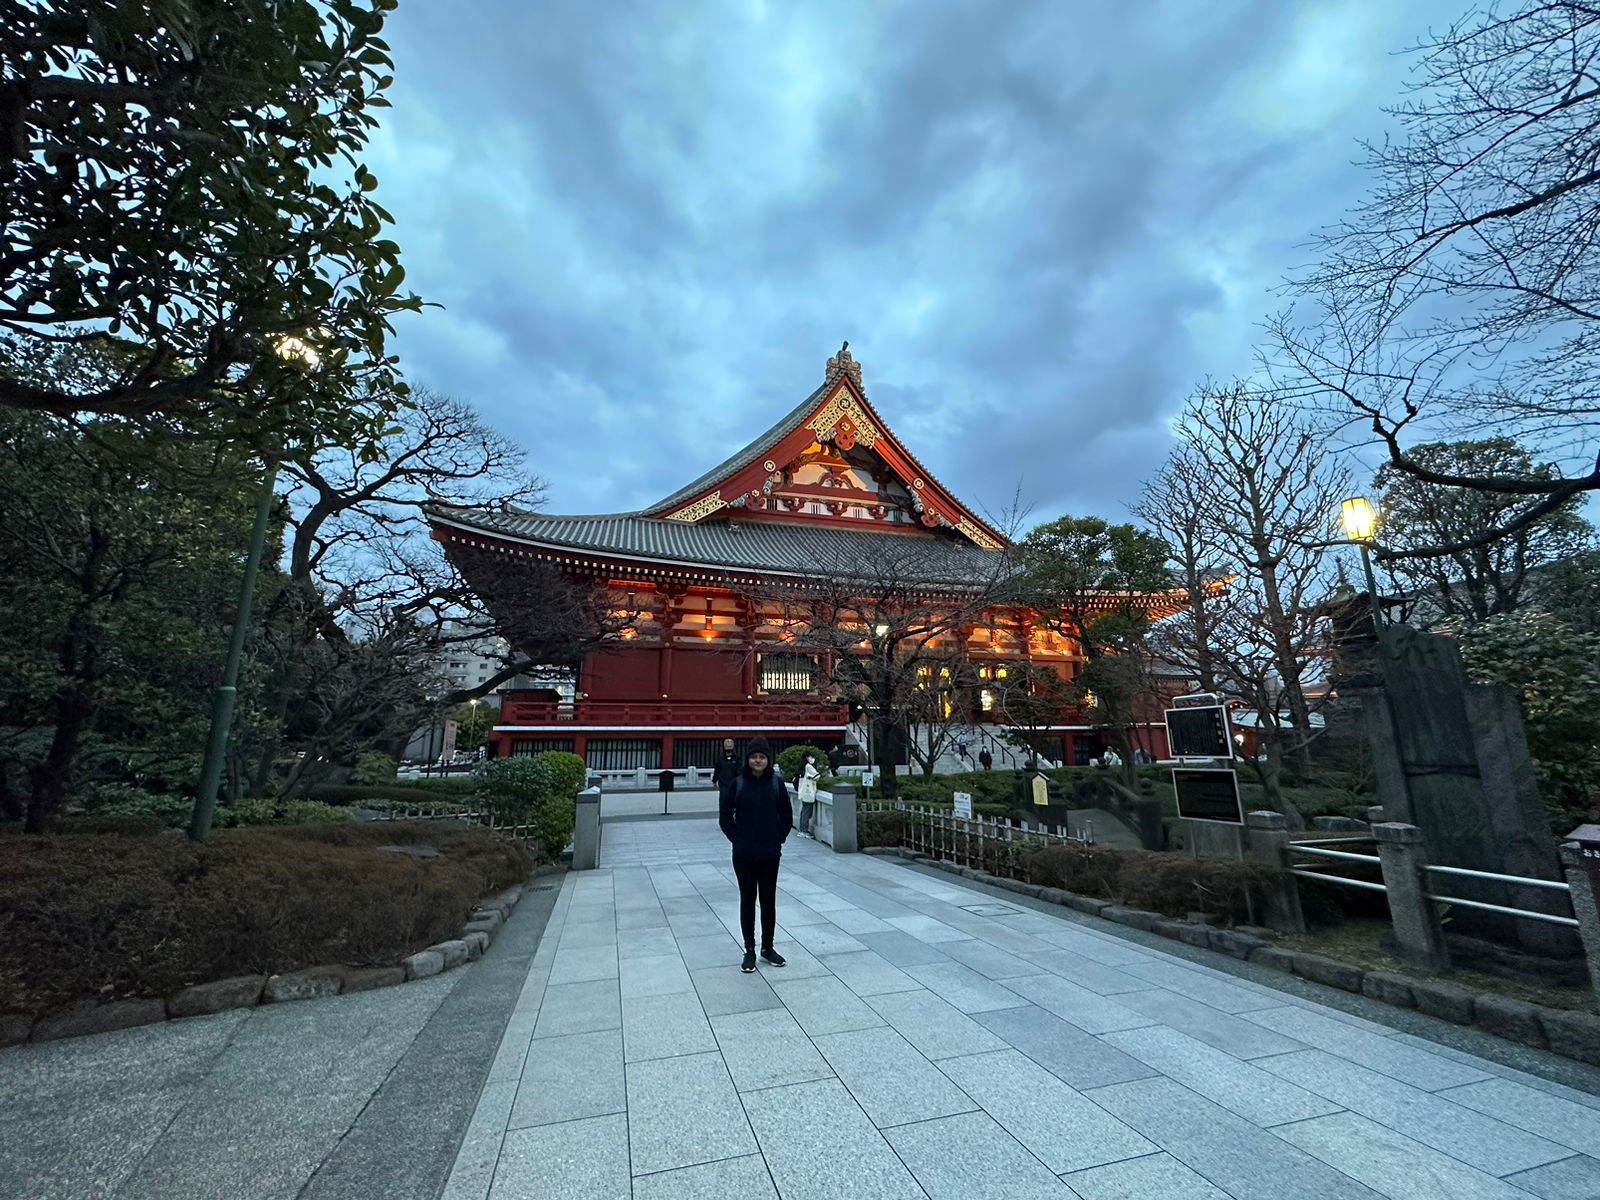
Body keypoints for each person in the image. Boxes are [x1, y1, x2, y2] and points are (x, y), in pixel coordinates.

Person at [719, 736, 793, 972]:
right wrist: (737, 837)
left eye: (762, 757)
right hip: (743, 854)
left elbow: (787, 816)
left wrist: (778, 838)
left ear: (768, 759)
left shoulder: (776, 783)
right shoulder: (738, 783)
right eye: (754, 757)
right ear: (748, 759)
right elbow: (725, 815)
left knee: (769, 900)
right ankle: (749, 949)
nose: (758, 760)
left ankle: (767, 947)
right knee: (748, 900)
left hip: (770, 853)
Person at [795, 753, 821, 838]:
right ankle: (804, 831)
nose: (812, 758)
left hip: (803, 792)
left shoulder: (802, 767)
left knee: (804, 811)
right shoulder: (808, 766)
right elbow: (817, 775)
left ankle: (802, 830)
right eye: (810, 756)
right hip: (808, 792)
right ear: (807, 757)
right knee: (807, 812)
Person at [711, 737, 740, 802]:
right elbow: (717, 770)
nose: (728, 744)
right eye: (727, 743)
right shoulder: (720, 758)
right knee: (723, 801)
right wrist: (714, 781)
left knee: (734, 801)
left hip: (734, 783)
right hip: (723, 784)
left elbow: (739, 771)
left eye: (730, 743)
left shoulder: (737, 758)